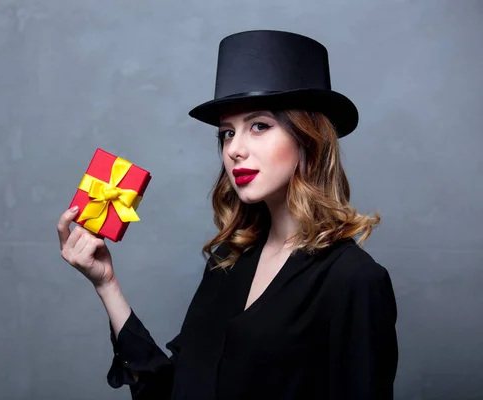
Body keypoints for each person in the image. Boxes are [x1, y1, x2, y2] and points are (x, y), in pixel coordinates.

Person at [57, 30, 398, 400]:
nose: (235, 149)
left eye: (259, 126)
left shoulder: (355, 280)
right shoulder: (229, 260)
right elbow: (174, 392)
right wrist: (106, 284)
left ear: (308, 140)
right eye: (227, 133)